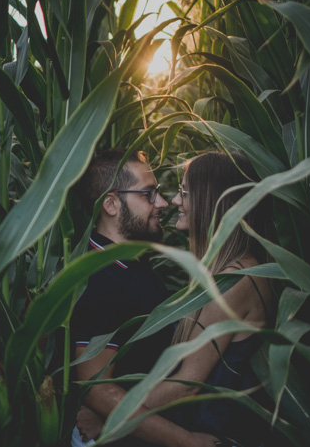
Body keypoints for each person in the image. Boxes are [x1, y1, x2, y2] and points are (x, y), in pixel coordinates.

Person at [69, 148, 218, 447]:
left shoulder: (129, 264)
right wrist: (189, 441)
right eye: (148, 194)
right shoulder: (99, 277)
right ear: (111, 204)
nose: (161, 203)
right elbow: (97, 390)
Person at [143, 150, 276, 446]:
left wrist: (111, 414)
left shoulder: (234, 280)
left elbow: (186, 385)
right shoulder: (236, 269)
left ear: (212, 201)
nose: (175, 201)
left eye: (184, 193)